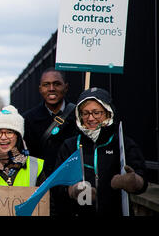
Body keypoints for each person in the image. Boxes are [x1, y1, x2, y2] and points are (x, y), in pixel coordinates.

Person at [53, 87, 147, 216]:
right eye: (85, 113)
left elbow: (142, 181)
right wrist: (73, 190)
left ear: (108, 112)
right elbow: (57, 185)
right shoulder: (69, 145)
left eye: (96, 112)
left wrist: (134, 182)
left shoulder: (122, 143)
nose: (90, 118)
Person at [22, 67, 77, 176]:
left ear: (66, 87)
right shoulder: (28, 120)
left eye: (57, 84)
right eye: (46, 84)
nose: (51, 88)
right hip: (41, 182)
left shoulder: (79, 116)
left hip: (70, 181)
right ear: (40, 89)